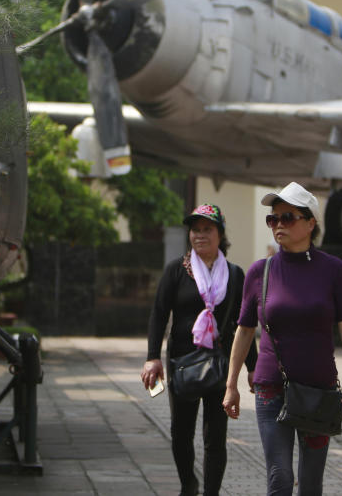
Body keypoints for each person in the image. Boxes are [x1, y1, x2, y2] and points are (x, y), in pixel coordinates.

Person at [223, 182, 342, 496]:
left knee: (311, 484)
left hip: (319, 389)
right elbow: (244, 330)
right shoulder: (260, 272)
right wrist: (231, 384)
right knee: (280, 476)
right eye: (273, 219)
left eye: (288, 217)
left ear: (311, 223)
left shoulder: (333, 270)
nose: (278, 225)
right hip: (271, 388)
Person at [141, 203, 258, 496]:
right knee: (181, 434)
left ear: (220, 234)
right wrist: (152, 357)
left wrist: (253, 367)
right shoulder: (175, 271)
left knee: (215, 437)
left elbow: (243, 325)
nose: (200, 235)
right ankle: (188, 485)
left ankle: (211, 493)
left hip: (221, 365)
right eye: (195, 230)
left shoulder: (235, 274)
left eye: (207, 229)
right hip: (182, 362)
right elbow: (158, 313)